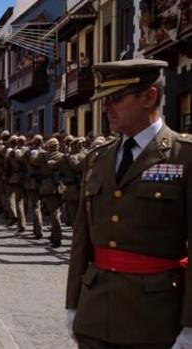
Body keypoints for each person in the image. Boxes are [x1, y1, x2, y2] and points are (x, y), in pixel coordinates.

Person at [66, 59, 192, 348]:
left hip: (155, 318)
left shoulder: (183, 156)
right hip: (96, 312)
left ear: (149, 97)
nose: (106, 107)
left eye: (116, 98)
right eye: (104, 100)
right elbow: (81, 240)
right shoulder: (98, 157)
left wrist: (190, 325)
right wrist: (73, 303)